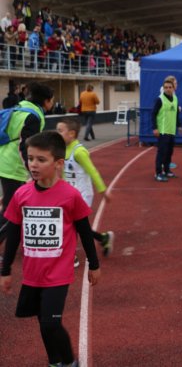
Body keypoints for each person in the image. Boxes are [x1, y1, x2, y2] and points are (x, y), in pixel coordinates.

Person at [0, 130, 101, 367]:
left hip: (58, 273)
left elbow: (85, 232)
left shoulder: (70, 196)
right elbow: (13, 233)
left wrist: (94, 265)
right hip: (32, 273)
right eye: (30, 158)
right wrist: (5, 271)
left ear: (58, 163)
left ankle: (69, 361)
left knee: (50, 323)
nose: (33, 165)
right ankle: (55, 361)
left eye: (40, 160)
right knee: (43, 322)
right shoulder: (22, 194)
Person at [0, 83, 54, 244]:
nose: (52, 103)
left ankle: (19, 239)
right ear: (46, 101)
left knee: (12, 206)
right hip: (13, 166)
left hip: (4, 161)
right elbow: (26, 147)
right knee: (12, 211)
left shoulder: (20, 108)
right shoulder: (33, 117)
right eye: (52, 100)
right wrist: (34, 172)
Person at [56, 117, 115, 259]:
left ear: (71, 133)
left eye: (60, 131)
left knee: (71, 223)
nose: (57, 133)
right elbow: (63, 174)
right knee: (77, 225)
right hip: (69, 193)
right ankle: (103, 238)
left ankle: (71, 255)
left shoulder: (79, 151)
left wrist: (103, 190)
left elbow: (92, 171)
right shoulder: (62, 149)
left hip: (83, 194)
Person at [152, 78, 182, 182]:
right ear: (163, 88)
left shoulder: (175, 98)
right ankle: (158, 173)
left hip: (172, 131)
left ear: (173, 88)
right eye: (166, 87)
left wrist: (179, 125)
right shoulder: (159, 99)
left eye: (170, 87)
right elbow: (153, 114)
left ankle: (167, 170)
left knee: (169, 152)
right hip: (163, 131)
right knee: (162, 152)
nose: (168, 89)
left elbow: (177, 113)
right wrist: (155, 128)